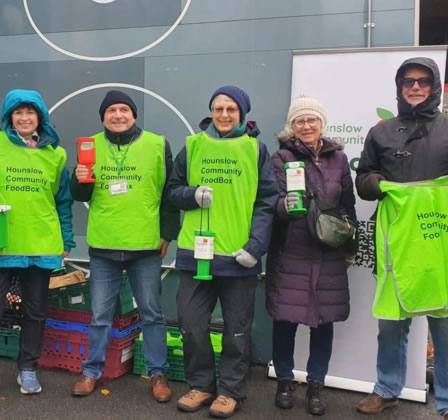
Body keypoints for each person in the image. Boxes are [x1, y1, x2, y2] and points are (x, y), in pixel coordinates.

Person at [355, 57, 448, 419]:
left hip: (440, 243)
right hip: (396, 242)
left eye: (422, 81)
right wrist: (371, 184)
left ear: (434, 86)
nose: (415, 86)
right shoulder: (382, 132)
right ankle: (387, 389)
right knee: (391, 323)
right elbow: (363, 177)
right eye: (408, 81)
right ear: (399, 87)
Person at [168, 86, 279, 418]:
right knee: (191, 324)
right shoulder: (192, 146)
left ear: (242, 114)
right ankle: (201, 386)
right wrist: (192, 194)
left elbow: (266, 201)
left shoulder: (255, 150)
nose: (225, 115)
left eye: (231, 109)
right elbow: (172, 192)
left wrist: (255, 247)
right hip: (194, 253)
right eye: (219, 108)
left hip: (238, 256)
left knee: (237, 329)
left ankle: (230, 391)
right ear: (211, 111)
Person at [0, 89, 74, 401]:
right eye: (18, 112)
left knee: (36, 314)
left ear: (40, 117)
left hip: (40, 244)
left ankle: (28, 368)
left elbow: (62, 201)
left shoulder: (56, 154)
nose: (24, 118)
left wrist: (67, 239)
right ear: (9, 117)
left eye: (30, 112)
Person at [70, 90, 179, 402]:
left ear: (134, 114)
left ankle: (159, 374)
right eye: (111, 111)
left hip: (144, 245)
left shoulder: (157, 144)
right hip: (104, 245)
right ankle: (92, 372)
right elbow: (80, 195)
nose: (117, 115)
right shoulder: (89, 145)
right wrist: (79, 178)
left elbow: (169, 194)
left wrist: (167, 234)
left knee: (152, 314)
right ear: (103, 116)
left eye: (124, 110)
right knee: (100, 316)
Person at [266, 96, 357, 416]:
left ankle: (316, 386)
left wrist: (350, 243)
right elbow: (271, 204)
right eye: (300, 120)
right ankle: (285, 382)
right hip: (291, 250)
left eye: (312, 120)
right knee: (285, 321)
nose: (306, 125)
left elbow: (348, 204)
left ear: (322, 124)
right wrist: (285, 207)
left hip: (328, 251)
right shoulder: (281, 157)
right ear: (291, 126)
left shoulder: (339, 159)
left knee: (323, 322)